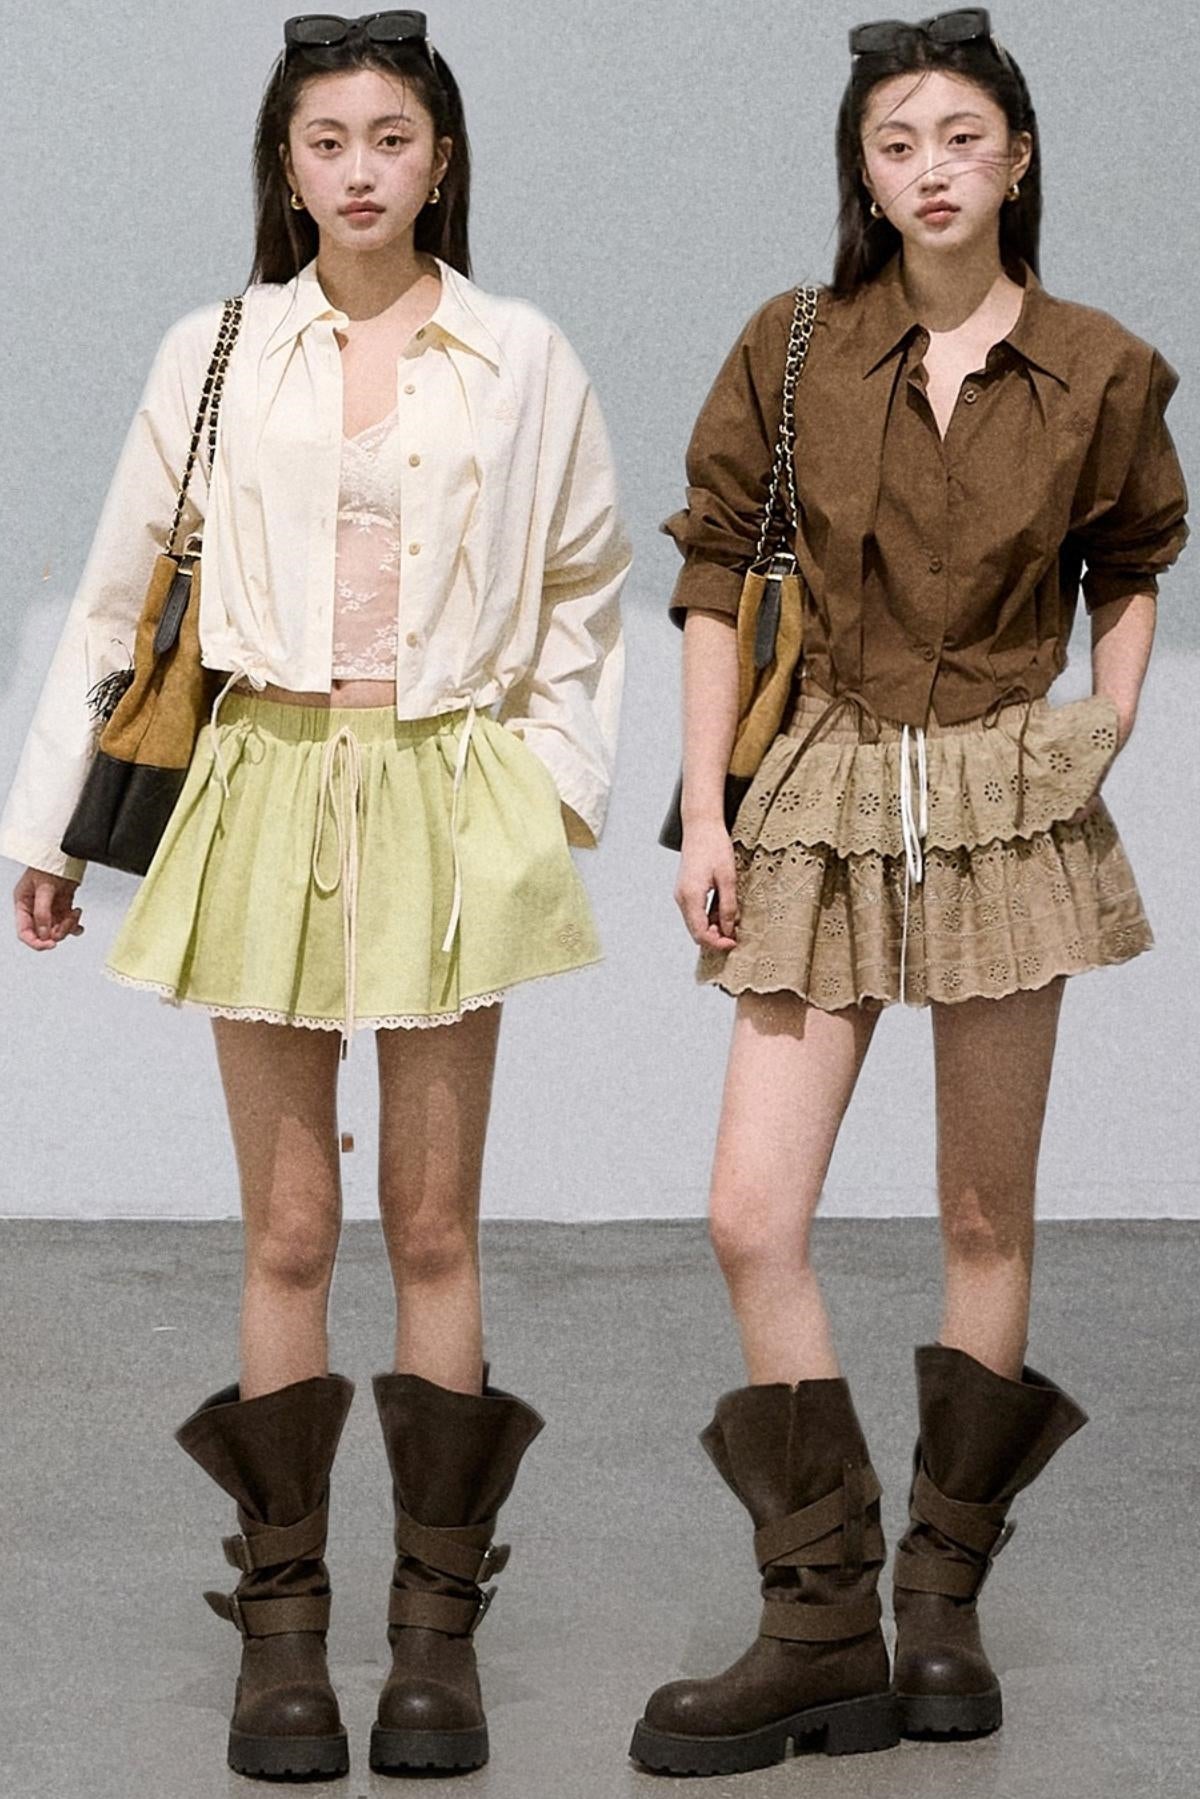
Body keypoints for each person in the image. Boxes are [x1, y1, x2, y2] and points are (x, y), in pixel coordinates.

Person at [1, 11, 629, 1783]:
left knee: (433, 1227)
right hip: (264, 779)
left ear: (443, 160)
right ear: (285, 167)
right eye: (328, 141)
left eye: (392, 139)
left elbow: (585, 584)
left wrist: (547, 793)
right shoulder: (216, 347)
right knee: (286, 1229)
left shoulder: (521, 353)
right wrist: (48, 829)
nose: (361, 171)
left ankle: (434, 1643)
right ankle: (282, 1638)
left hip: (444, 784)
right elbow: (123, 590)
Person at [628, 7, 1187, 1780]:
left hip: (1004, 803)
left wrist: (1103, 731)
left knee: (983, 1218)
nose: (930, 169)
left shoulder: (1102, 368)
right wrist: (706, 810)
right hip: (823, 788)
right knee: (751, 1212)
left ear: (1018, 157)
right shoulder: (792, 344)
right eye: (895, 144)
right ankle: (819, 1622)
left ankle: (939, 1610)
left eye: (959, 136)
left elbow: (1135, 560)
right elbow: (714, 575)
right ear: (862, 177)